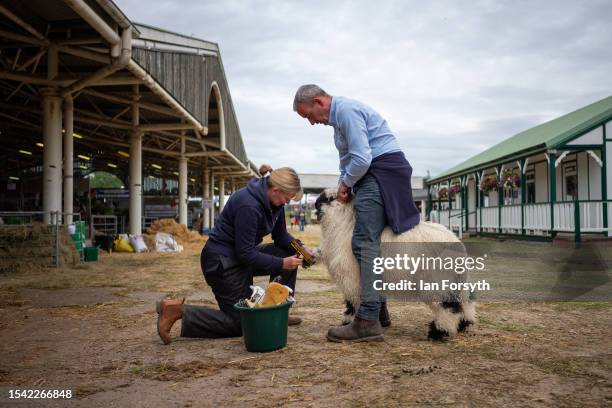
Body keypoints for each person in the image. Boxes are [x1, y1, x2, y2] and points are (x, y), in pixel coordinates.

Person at [294, 84, 421, 342]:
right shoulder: (338, 122)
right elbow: (348, 160)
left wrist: (346, 183)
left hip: (381, 170)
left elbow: (362, 158)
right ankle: (380, 311)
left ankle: (367, 319)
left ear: (318, 101)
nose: (311, 123)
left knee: (364, 242)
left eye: (308, 115)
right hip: (373, 172)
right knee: (373, 241)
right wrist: (346, 183)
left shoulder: (347, 112)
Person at [156, 164, 315, 344]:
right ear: (276, 189)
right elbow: (245, 253)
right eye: (287, 198)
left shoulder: (274, 202)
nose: (287, 203)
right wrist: (281, 264)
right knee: (241, 323)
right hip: (222, 261)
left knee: (289, 251)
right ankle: (177, 310)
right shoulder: (249, 205)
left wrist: (301, 248)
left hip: (240, 255)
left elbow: (280, 236)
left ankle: (276, 311)